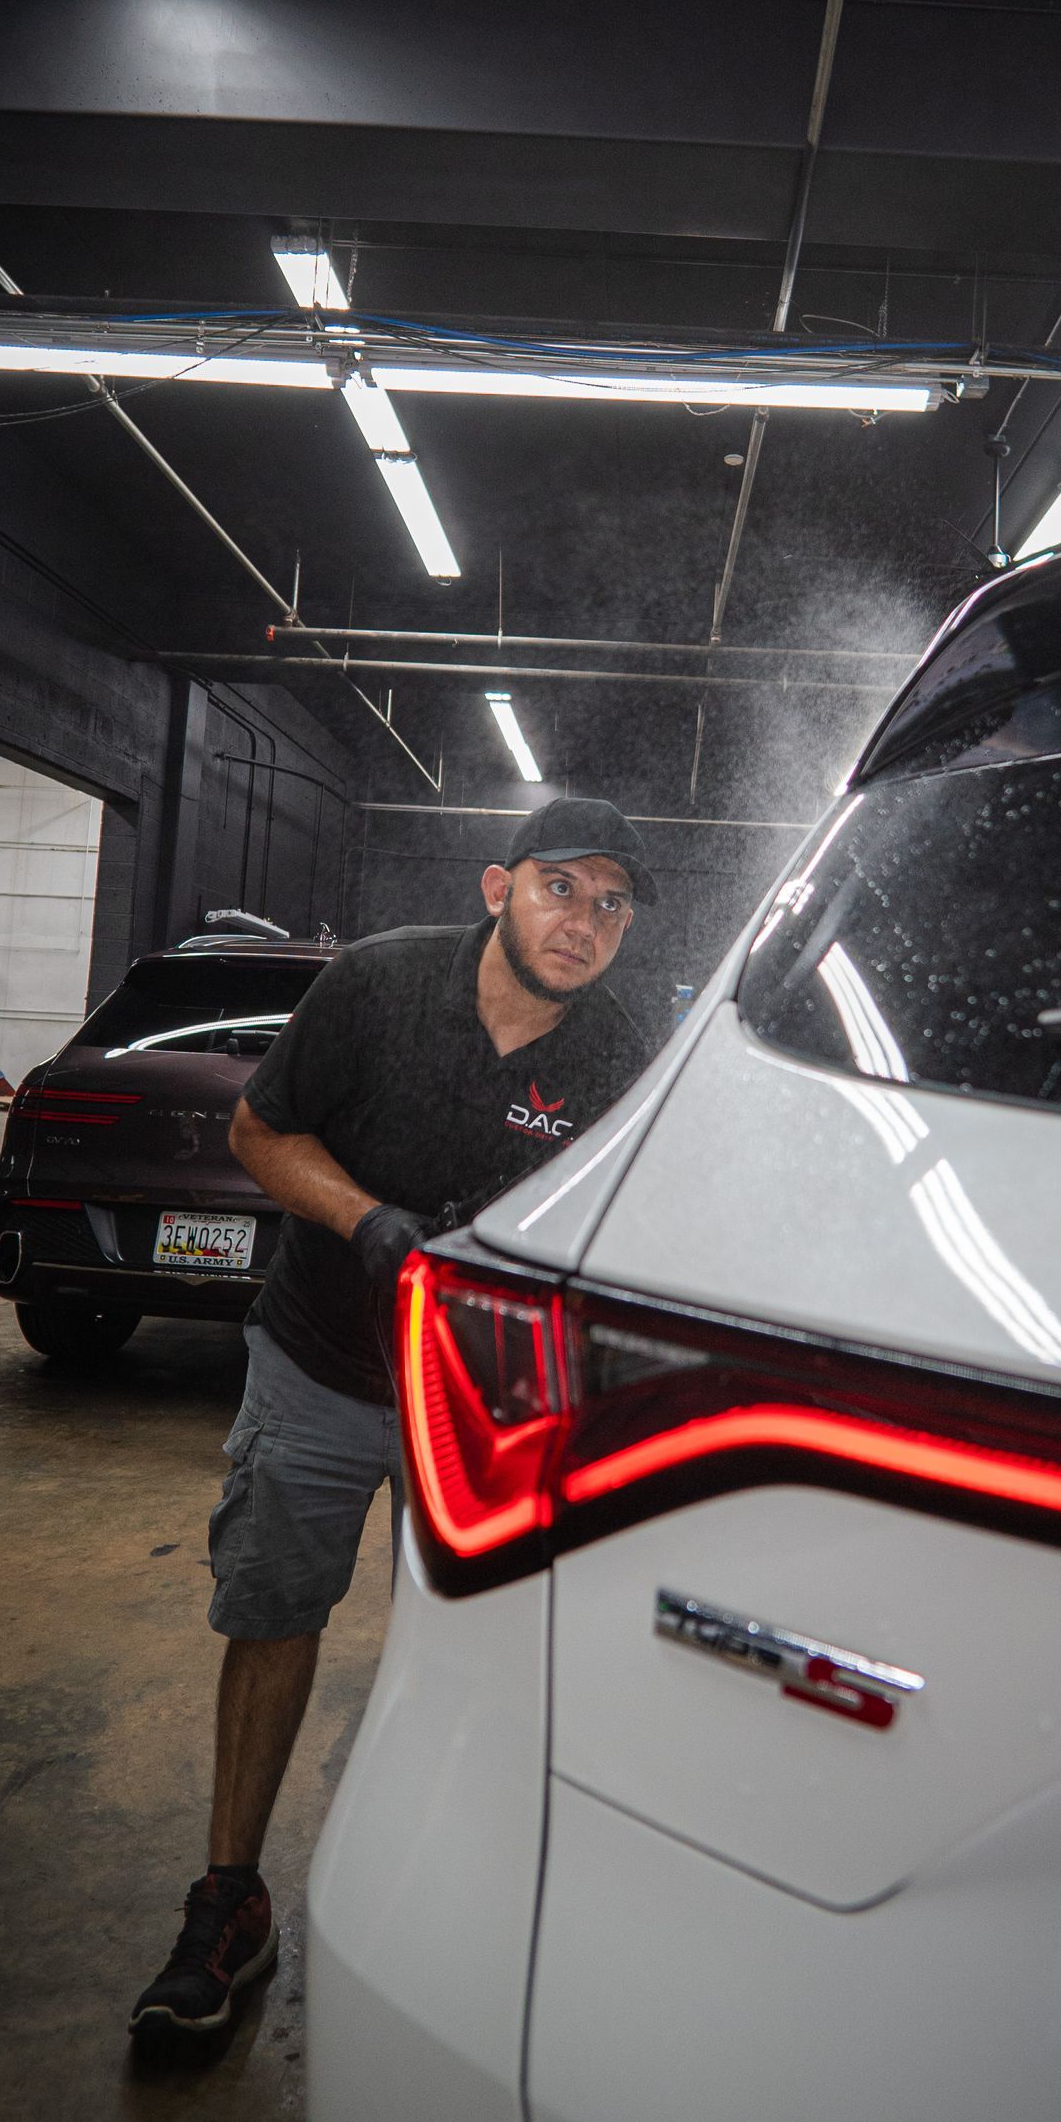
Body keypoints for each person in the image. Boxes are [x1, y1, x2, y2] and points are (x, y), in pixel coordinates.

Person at [129, 797, 654, 2038]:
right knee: (273, 1612)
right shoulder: (375, 987)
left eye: (611, 903)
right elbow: (260, 1130)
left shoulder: (625, 1054)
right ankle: (229, 1901)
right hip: (316, 1361)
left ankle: (448, 1917)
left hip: (480, 1402)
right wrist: (364, 1219)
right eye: (560, 888)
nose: (582, 920)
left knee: (475, 1652)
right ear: (496, 888)